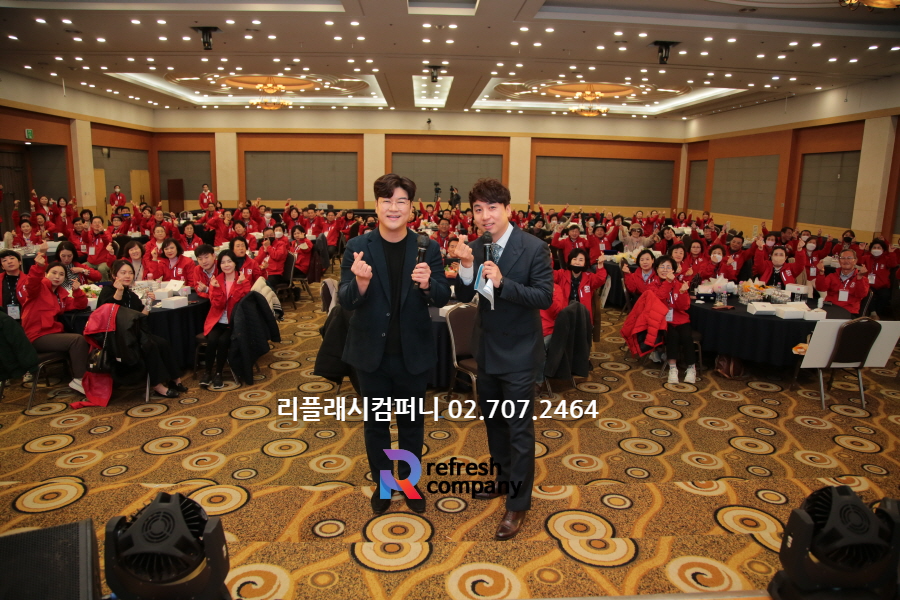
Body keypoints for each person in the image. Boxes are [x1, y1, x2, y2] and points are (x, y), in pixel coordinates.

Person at [339, 173, 450, 516]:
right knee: (376, 426)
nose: (393, 208)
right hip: (371, 355)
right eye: (387, 201)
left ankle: (409, 483)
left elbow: (442, 297)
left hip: (412, 353)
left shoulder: (427, 247)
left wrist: (428, 284)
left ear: (411, 208)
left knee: (411, 425)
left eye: (401, 201)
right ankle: (384, 484)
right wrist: (360, 283)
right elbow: (345, 299)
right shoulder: (358, 246)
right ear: (376, 206)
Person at [449, 178, 553, 541]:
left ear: (508, 209)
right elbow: (466, 293)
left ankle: (518, 504)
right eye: (478, 209)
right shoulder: (477, 246)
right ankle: (503, 479)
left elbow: (543, 296)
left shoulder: (534, 247)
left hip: (521, 352)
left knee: (519, 430)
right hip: (487, 348)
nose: (485, 216)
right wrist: (466, 266)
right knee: (494, 422)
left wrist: (504, 283)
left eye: (492, 208)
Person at [97, 260, 187, 397]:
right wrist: (119, 292)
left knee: (163, 343)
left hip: (135, 333)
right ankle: (157, 385)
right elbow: (108, 315)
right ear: (114, 275)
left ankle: (175, 379)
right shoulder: (107, 291)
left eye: (130, 273)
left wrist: (149, 304)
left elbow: (141, 316)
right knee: (150, 345)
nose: (127, 276)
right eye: (123, 273)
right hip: (117, 337)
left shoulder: (131, 294)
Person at [21, 251, 90, 395]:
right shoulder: (38, 288)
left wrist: (77, 291)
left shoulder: (60, 294)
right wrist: (38, 267)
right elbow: (31, 283)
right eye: (53, 273)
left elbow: (80, 305)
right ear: (46, 274)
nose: (57, 277)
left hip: (51, 333)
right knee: (77, 340)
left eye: (61, 274)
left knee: (82, 336)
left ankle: (81, 376)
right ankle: (79, 379)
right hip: (37, 335)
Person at [201, 250, 251, 389]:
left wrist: (239, 284)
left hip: (234, 322)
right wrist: (216, 289)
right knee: (212, 340)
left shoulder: (243, 280)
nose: (226, 265)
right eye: (223, 262)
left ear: (235, 263)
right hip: (218, 321)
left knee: (223, 341)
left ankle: (218, 373)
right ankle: (207, 372)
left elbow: (240, 305)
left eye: (229, 261)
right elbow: (217, 305)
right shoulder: (216, 281)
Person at [651, 256, 697, 384]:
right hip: (662, 320)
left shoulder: (679, 284)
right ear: (656, 269)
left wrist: (682, 293)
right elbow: (660, 298)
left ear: (673, 270)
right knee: (672, 336)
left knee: (686, 336)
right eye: (662, 266)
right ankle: (672, 368)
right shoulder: (653, 285)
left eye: (668, 267)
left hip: (680, 318)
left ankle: (691, 368)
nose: (665, 270)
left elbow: (684, 307)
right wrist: (668, 282)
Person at [553, 248, 607, 319]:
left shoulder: (589, 277)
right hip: (564, 313)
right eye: (574, 259)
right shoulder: (561, 274)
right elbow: (548, 274)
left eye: (581, 260)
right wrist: (547, 258)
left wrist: (600, 264)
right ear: (570, 261)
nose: (577, 262)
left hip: (583, 315)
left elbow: (600, 279)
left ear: (585, 263)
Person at [815, 249, 870, 316]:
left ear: (855, 261)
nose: (846, 261)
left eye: (849, 258)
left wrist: (859, 278)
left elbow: (861, 294)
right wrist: (821, 273)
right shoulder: (832, 276)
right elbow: (821, 288)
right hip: (831, 309)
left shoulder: (862, 279)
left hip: (850, 311)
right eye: (843, 258)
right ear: (839, 261)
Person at [861, 239, 896, 317]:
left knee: (885, 296)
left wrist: (891, 253)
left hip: (882, 285)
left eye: (879, 247)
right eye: (874, 247)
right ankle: (873, 312)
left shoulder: (886, 258)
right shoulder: (867, 257)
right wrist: (862, 250)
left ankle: (878, 314)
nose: (876, 249)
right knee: (868, 293)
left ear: (883, 250)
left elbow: (893, 264)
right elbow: (858, 261)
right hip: (869, 284)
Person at [0, 249, 27, 321]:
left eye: (12, 258)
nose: (9, 262)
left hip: (25, 318)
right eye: (4, 260)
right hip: (3, 319)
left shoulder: (28, 280)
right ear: (2, 267)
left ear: (20, 262)